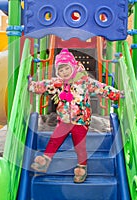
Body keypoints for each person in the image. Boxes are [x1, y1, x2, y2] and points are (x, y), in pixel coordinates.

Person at [28, 48, 120, 183]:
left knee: (80, 146)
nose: (64, 73)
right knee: (55, 139)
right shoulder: (58, 83)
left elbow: (101, 87)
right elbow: (44, 85)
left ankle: (82, 168)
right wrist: (31, 85)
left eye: (66, 69)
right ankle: (45, 161)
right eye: (60, 70)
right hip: (65, 119)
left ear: (73, 67)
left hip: (81, 121)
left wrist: (116, 94)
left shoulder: (84, 81)